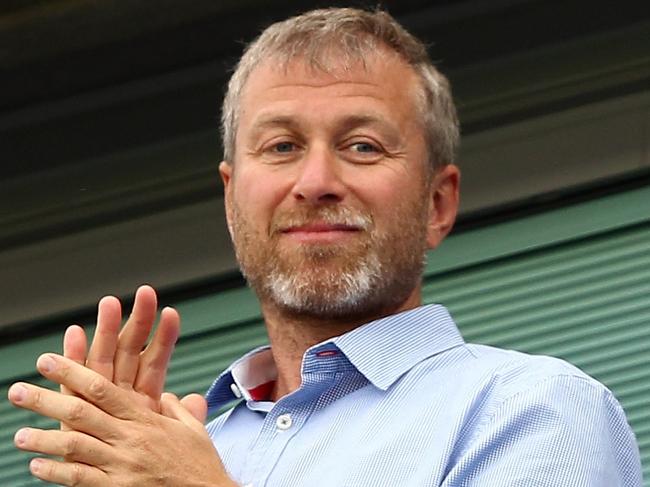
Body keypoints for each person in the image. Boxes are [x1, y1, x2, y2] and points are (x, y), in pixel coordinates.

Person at [8, 7, 643, 487]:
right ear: (232, 202)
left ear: (438, 204)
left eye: (362, 146)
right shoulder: (172, 449)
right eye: (281, 146)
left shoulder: (531, 408)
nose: (315, 183)